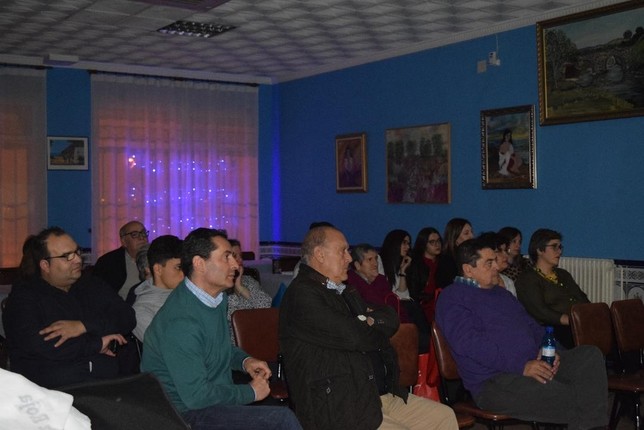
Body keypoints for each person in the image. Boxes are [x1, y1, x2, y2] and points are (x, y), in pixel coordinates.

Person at [279, 225, 457, 430]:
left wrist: (367, 322)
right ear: (319, 254)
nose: (348, 258)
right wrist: (366, 323)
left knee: (443, 416)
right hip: (339, 403)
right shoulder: (303, 296)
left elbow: (390, 317)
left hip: (375, 393)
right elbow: (356, 337)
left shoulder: (343, 290)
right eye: (342, 251)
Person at [435, 238, 608, 429]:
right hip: (494, 381)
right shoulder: (453, 298)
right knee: (575, 396)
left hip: (534, 363)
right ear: (468, 270)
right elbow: (471, 345)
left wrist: (547, 347)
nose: (496, 268)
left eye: (495, 260)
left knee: (589, 355)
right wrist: (521, 366)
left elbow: (531, 325)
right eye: (489, 263)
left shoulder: (501, 294)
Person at [141, 228, 301, 430]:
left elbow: (219, 347)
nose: (235, 264)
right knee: (281, 420)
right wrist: (249, 392)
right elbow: (196, 397)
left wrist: (245, 361)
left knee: (282, 408)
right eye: (226, 257)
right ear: (199, 264)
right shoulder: (180, 321)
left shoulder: (215, 299)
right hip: (182, 414)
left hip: (212, 400)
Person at [4, 227, 135, 388]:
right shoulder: (24, 298)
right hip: (52, 391)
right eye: (67, 256)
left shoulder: (90, 285)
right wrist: (97, 344)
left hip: (105, 384)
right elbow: (41, 345)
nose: (78, 260)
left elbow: (127, 317)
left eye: (77, 252)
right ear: (45, 265)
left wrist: (83, 326)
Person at [515, 229, 589, 349]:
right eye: (554, 247)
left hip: (576, 324)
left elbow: (581, 297)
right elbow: (539, 311)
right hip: (552, 328)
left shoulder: (563, 274)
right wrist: (568, 320)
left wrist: (590, 314)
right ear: (539, 250)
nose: (559, 251)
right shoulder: (528, 279)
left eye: (560, 247)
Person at [131, 235, 184, 342]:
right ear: (158, 269)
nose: (183, 274)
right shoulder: (141, 311)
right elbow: (165, 347)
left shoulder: (186, 293)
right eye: (178, 268)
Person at [227, 239, 272, 343]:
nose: (239, 260)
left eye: (240, 256)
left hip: (257, 338)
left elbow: (266, 304)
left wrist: (240, 286)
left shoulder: (248, 281)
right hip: (232, 344)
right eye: (234, 256)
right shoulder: (220, 285)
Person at [93, 220, 150, 299]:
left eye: (143, 233)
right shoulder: (108, 262)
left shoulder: (156, 257)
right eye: (134, 235)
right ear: (124, 241)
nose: (141, 238)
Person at [407, 227, 443, 323]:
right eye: (432, 242)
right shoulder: (415, 264)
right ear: (424, 245)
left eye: (439, 241)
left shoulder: (445, 263)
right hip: (424, 306)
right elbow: (414, 293)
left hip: (442, 302)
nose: (437, 244)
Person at [477, 232, 516, 297]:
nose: (505, 255)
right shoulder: (480, 282)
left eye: (505, 250)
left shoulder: (508, 282)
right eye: (499, 251)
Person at [439, 218, 474, 288]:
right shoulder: (447, 261)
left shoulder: (474, 256)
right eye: (466, 233)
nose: (472, 236)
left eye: (472, 232)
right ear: (455, 238)